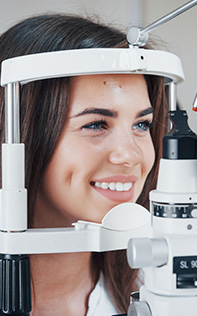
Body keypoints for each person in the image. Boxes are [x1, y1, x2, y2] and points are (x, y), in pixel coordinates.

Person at [0, 14, 168, 316]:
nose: (130, 155)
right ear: (21, 134)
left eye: (142, 125)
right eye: (96, 124)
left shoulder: (159, 289)